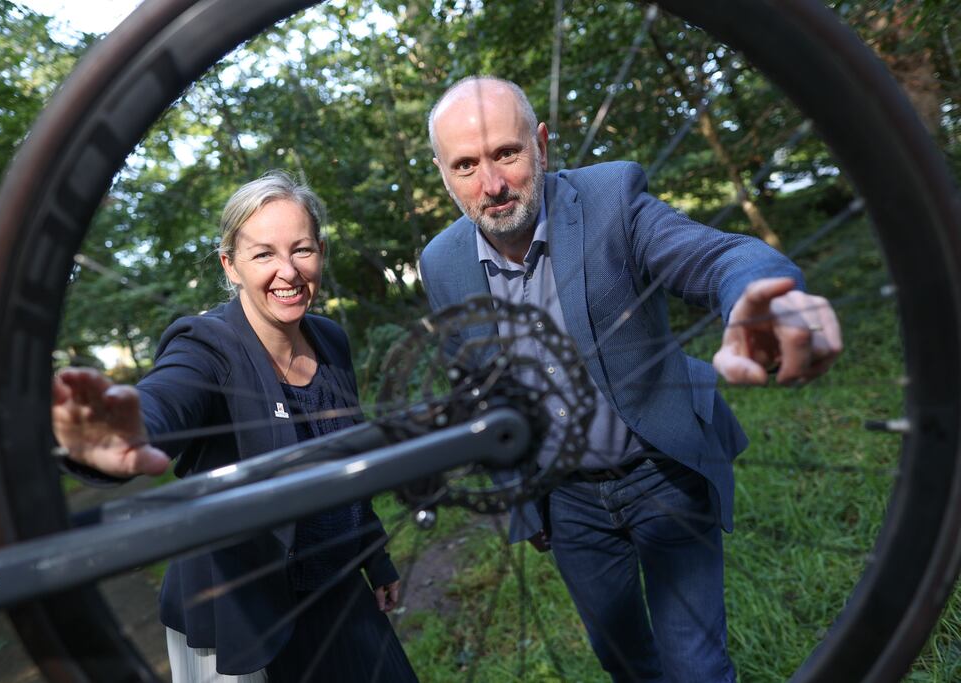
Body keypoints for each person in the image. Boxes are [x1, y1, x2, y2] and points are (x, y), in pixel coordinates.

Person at [420, 76, 842, 682]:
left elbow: (714, 255)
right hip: (567, 503)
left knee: (696, 667)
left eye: (506, 153)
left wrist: (762, 296)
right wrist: (523, 499)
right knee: (625, 666)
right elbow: (477, 382)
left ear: (541, 144)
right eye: (465, 165)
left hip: (661, 471)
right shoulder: (442, 262)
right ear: (443, 172)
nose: (491, 185)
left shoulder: (610, 199)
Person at [53, 171, 417, 682]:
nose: (287, 271)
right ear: (231, 265)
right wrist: (127, 429)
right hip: (241, 615)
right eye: (263, 254)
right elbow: (166, 398)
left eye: (302, 249)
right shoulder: (205, 345)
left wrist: (374, 559)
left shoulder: (330, 340)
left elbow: (345, 464)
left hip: (336, 589)